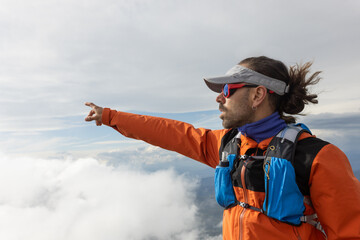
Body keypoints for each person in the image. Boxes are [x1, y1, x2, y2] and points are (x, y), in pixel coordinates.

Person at [85, 56, 360, 240]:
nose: (219, 97)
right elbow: (171, 133)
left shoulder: (317, 157)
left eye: (228, 89)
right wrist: (110, 116)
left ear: (257, 94)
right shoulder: (229, 145)